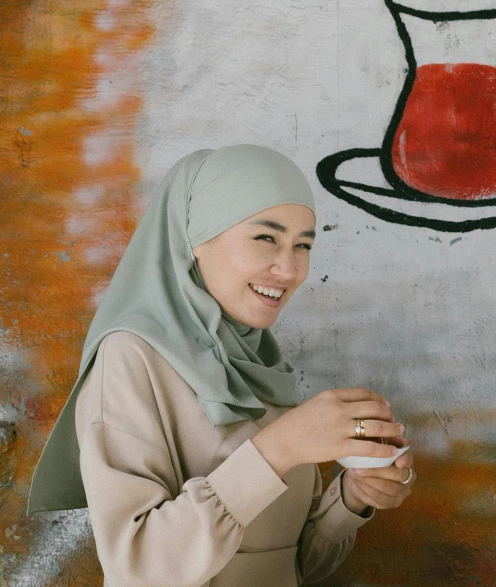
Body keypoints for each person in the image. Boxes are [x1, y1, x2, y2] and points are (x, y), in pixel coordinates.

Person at [27, 144, 415, 587]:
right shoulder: (131, 359)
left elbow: (289, 566)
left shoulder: (262, 365)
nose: (288, 269)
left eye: (302, 245)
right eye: (266, 237)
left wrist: (349, 500)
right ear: (195, 239)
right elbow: (139, 569)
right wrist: (279, 448)